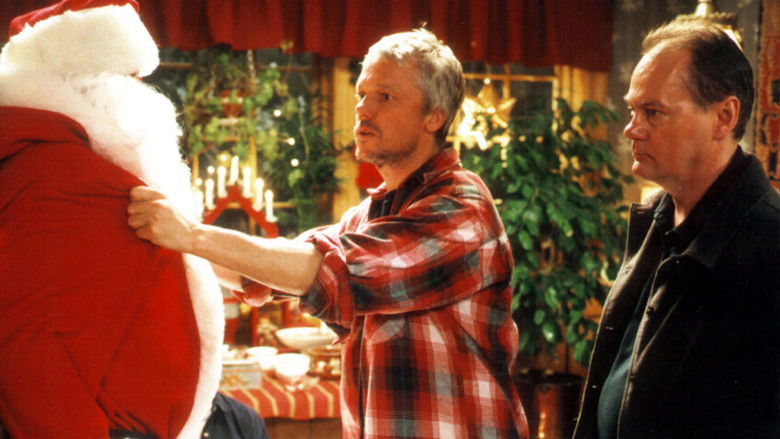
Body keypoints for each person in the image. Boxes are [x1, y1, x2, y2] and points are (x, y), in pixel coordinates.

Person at [128, 29, 528, 438]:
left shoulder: (461, 206)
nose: (363, 108)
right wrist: (161, 234)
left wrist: (189, 235)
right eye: (361, 94)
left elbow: (330, 271)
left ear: (434, 117)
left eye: (385, 96)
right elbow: (262, 273)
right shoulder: (368, 217)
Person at [0, 1, 268, 438]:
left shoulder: (79, 165)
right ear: (94, 85)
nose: (145, 96)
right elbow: (31, 351)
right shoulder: (59, 173)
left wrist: (242, 268)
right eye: (130, 79)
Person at [573, 18, 780, 439]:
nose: (631, 128)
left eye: (653, 112)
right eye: (632, 110)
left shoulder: (769, 243)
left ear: (724, 116)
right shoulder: (657, 215)